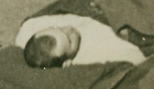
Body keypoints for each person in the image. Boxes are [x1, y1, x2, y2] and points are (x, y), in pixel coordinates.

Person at [17, 14, 145, 67]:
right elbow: (138, 56)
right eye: (70, 40)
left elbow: (28, 26)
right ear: (67, 62)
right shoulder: (93, 56)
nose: (71, 31)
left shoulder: (34, 32)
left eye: (60, 29)